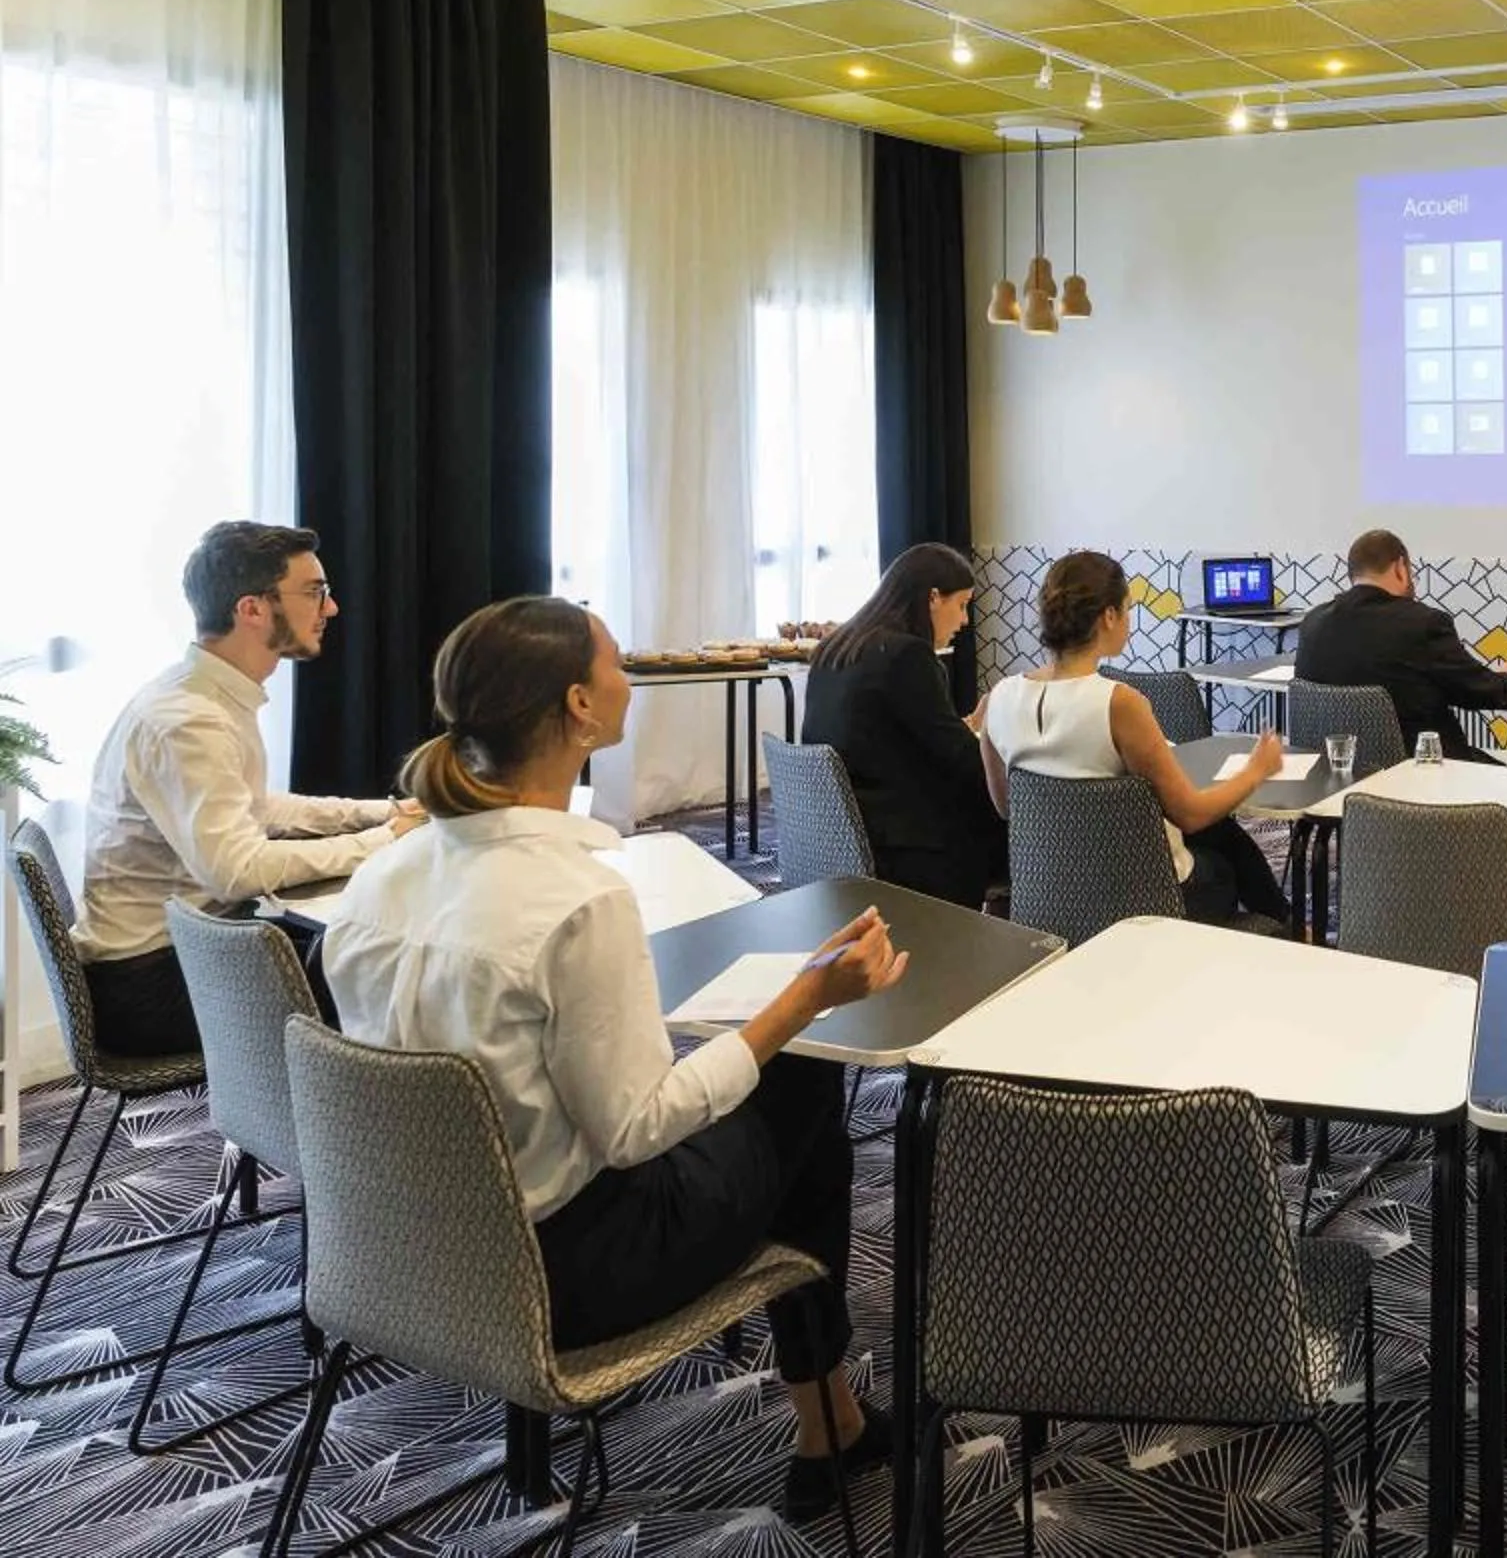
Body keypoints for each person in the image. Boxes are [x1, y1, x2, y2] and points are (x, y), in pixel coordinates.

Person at [323, 597, 905, 1522]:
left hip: (397, 1247)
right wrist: (798, 1004)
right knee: (799, 1080)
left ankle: (828, 1413)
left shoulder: (377, 880)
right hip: (564, 1272)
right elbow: (638, 1132)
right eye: (612, 665)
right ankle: (826, 1420)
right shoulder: (574, 901)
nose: (627, 675)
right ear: (578, 708)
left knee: (768, 1073)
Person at [71, 521, 420, 1056]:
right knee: (383, 978)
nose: (331, 609)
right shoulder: (189, 721)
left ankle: (305, 1133)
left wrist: (381, 814)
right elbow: (236, 871)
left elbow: (255, 808)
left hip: (179, 955)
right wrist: (385, 840)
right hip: (149, 986)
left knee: (363, 949)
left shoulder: (203, 696)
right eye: (315, 592)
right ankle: (337, 1136)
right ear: (252, 609)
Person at [981, 552, 1295, 928]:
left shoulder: (998, 697)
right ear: (1109, 616)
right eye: (1128, 610)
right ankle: (1288, 933)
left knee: (1221, 832)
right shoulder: (1118, 703)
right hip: (1144, 902)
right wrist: (1256, 770)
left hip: (1045, 897)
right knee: (1224, 857)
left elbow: (1006, 808)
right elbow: (1189, 815)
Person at [797, 543, 995, 908]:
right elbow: (961, 759)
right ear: (933, 598)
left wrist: (957, 730)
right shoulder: (907, 656)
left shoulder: (836, 648)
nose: (965, 621)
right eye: (962, 604)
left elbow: (885, 737)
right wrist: (992, 743)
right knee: (1003, 818)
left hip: (836, 830)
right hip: (902, 842)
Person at [1293, 529, 1507, 767]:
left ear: (1352, 574)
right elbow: (1478, 691)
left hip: (1336, 778)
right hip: (1423, 774)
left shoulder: (1312, 622)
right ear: (1400, 567)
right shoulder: (1424, 624)